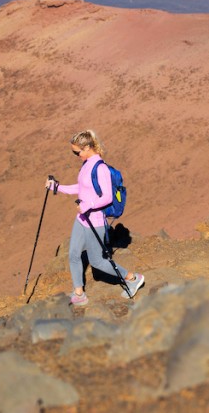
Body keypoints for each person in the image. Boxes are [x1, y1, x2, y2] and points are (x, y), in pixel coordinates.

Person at [46, 129, 145, 305]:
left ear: (88, 148)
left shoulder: (101, 169)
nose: (76, 155)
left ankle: (132, 278)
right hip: (82, 219)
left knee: (97, 261)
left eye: (77, 152)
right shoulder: (86, 165)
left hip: (95, 221)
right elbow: (81, 187)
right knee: (74, 254)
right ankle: (79, 294)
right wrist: (57, 187)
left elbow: (106, 197)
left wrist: (87, 205)